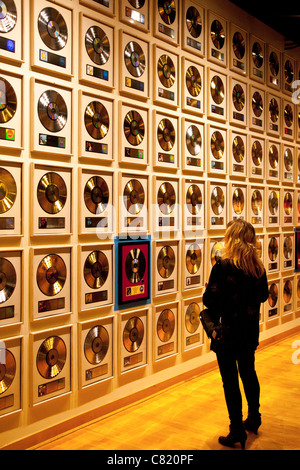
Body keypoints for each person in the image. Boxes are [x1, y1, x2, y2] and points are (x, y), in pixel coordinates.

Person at [201, 219, 269, 449]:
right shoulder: (258, 269)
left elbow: (209, 301)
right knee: (248, 372)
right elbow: (262, 297)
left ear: (233, 239)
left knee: (230, 381)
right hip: (248, 332)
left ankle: (236, 430)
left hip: (226, 333)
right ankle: (254, 417)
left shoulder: (222, 267)